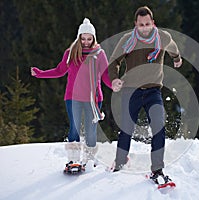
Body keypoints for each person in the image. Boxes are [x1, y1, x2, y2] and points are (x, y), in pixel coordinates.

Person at [108, 6, 182, 180]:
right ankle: (119, 162)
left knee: (158, 126)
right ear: (136, 24)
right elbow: (114, 61)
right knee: (126, 127)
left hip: (153, 91)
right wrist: (114, 79)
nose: (145, 27)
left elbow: (173, 47)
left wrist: (177, 58)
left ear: (152, 22)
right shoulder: (127, 40)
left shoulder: (163, 37)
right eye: (141, 24)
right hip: (130, 91)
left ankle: (157, 169)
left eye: (147, 23)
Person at [31, 18, 112, 168]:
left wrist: (115, 85)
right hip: (73, 97)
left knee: (91, 129)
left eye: (89, 39)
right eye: (83, 38)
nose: (86, 42)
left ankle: (89, 158)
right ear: (79, 38)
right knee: (74, 127)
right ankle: (73, 159)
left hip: (93, 99)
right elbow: (59, 70)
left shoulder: (99, 54)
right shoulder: (70, 53)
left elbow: (106, 75)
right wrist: (41, 73)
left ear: (94, 38)